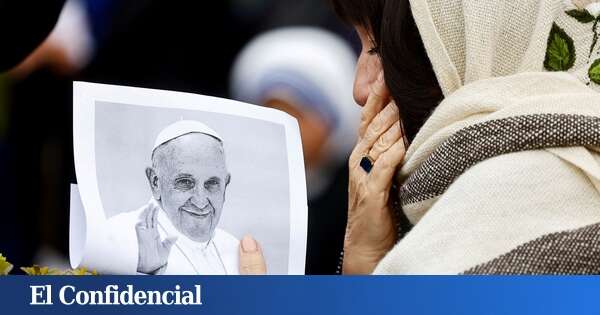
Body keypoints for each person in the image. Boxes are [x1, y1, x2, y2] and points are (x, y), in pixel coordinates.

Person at [240, 0, 600, 275]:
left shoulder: (511, 218)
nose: (360, 88)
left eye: (378, 49)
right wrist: (363, 264)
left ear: (469, 40)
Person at [231, 27, 359, 274]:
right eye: (271, 113)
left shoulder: (355, 202)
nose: (284, 127)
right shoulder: (239, 194)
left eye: (297, 115)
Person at [107, 120, 240, 275]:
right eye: (185, 182)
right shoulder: (115, 236)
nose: (200, 201)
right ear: (155, 182)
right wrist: (145, 274)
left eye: (212, 183)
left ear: (226, 184)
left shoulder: (235, 248)